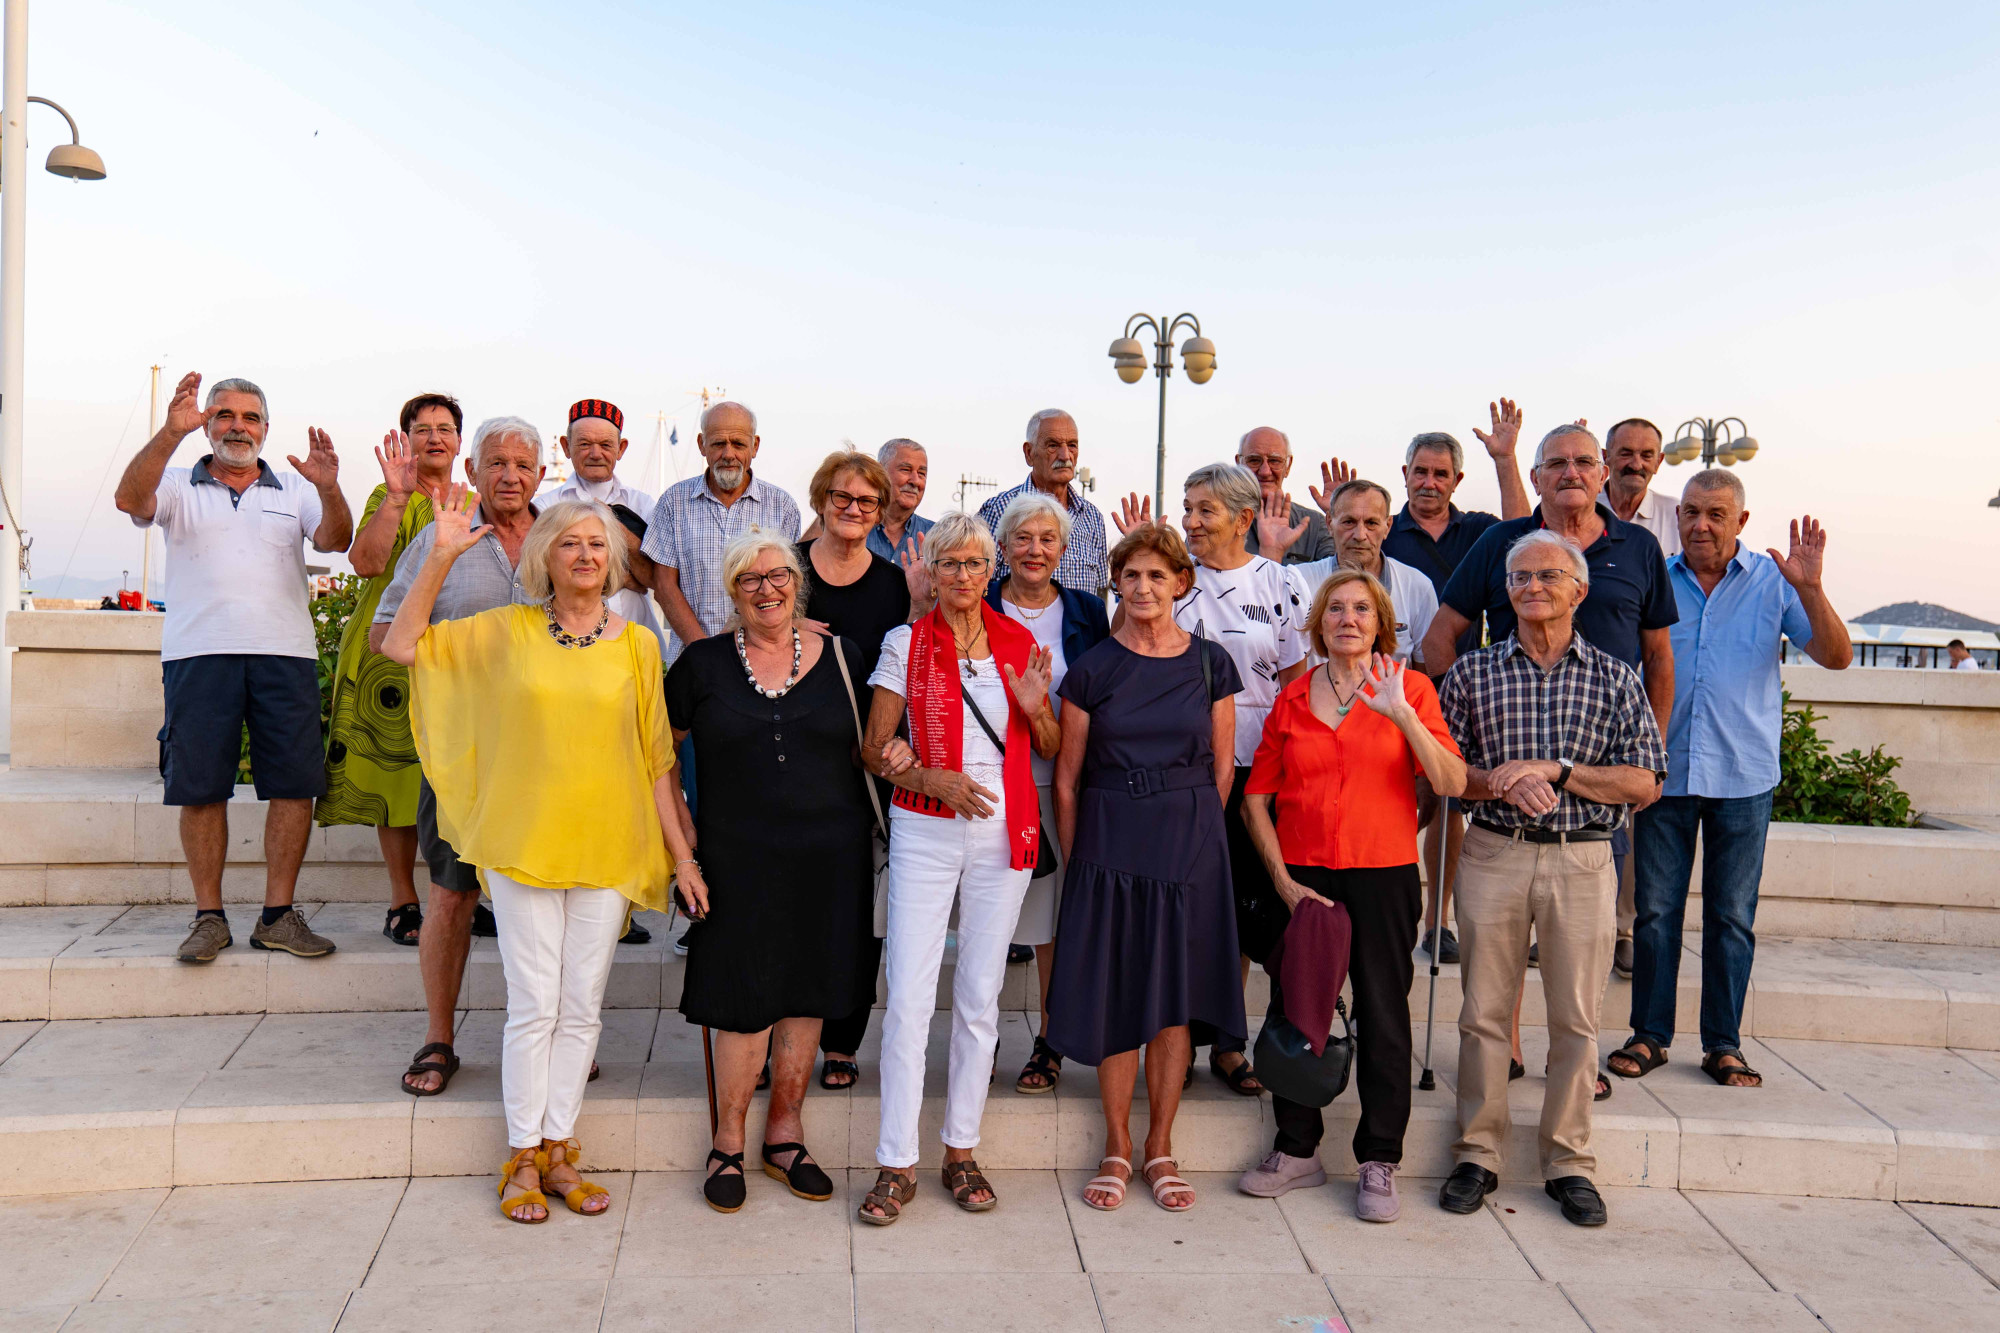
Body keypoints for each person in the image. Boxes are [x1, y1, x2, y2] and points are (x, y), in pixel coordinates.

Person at [384, 490, 688, 1224]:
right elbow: (400, 645)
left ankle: (558, 1148)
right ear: (544, 557)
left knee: (581, 1009)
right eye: (569, 542)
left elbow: (656, 759)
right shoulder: (506, 629)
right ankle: (521, 1153)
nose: (584, 554)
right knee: (534, 1005)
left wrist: (683, 856)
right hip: (523, 844)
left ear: (613, 561)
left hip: (608, 846)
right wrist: (440, 556)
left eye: (596, 543)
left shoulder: (638, 644)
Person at [1435, 531, 1667, 1230]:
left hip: (1583, 857)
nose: (1532, 586)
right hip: (1494, 852)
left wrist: (1557, 771)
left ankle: (1568, 1162)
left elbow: (1646, 781)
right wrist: (1501, 781)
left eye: (1547, 576)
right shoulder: (1471, 674)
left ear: (1579, 590)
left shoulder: (1616, 677)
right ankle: (1478, 1153)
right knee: (1482, 1015)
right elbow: (1446, 772)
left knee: (1576, 1020)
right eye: (1519, 577)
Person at [1237, 570, 1466, 1220]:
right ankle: (1296, 1148)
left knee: (1384, 1014)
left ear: (1381, 621)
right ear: (1318, 623)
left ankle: (1379, 1159)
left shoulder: (1410, 688)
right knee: (1297, 1010)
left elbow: (1451, 780)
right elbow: (1257, 799)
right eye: (1335, 608)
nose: (1348, 618)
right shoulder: (1292, 698)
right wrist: (1282, 880)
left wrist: (1402, 716)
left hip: (1383, 873)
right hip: (1305, 877)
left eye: (1362, 608)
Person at [1611, 475, 1851, 1090]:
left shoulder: (1775, 582)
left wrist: (1812, 589)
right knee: (1655, 914)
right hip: (1665, 775)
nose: (1701, 525)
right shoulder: (1656, 579)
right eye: (1691, 511)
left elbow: (1836, 656)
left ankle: (1723, 1044)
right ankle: (1650, 1035)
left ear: (1741, 522)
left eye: (1716, 514)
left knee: (1732, 918)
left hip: (1743, 777)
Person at [856, 512, 1059, 1224]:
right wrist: (928, 778)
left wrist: (1037, 710)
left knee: (979, 995)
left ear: (991, 568)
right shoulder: (905, 641)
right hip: (925, 826)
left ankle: (961, 1150)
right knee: (909, 997)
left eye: (975, 563)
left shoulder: (1019, 642)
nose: (964, 575)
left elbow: (1051, 742)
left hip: (1002, 829)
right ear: (932, 572)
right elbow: (873, 747)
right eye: (950, 563)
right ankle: (896, 1161)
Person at [1424, 423, 1677, 989]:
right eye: (1556, 464)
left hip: (1596, 777)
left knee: (1580, 962)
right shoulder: (1502, 543)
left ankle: (1597, 997)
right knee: (1499, 965)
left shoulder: (1638, 548)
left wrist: (1650, 754)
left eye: (1583, 462)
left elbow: (1659, 657)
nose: (1571, 473)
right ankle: (1507, 1034)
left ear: (1603, 473)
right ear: (1536, 477)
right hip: (1504, 782)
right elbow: (1440, 636)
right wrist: (1455, 726)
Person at [113, 372, 353, 966]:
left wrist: (328, 488)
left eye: (249, 417)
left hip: (286, 655)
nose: (237, 427)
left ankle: (278, 917)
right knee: (201, 788)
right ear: (207, 424)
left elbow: (336, 539)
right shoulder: (176, 482)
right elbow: (129, 500)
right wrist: (169, 433)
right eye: (223, 414)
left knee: (294, 787)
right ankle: (209, 918)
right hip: (198, 655)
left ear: (265, 429)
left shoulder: (294, 488)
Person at [669, 531, 877, 1213]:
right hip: (735, 858)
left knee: (808, 991)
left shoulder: (844, 656)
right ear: (732, 591)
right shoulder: (701, 664)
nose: (767, 589)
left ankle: (785, 1133)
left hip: (831, 855)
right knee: (743, 996)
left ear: (798, 583)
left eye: (779, 575)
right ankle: (728, 1139)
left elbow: (876, 742)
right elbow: (656, 758)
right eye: (750, 579)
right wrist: (682, 847)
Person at [1047, 522, 1243, 1213]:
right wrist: (1082, 862)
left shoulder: (1212, 663)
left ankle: (1160, 1145)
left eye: (1158, 575)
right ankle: (1116, 1144)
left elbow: (1223, 770)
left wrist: (1195, 836)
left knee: (1172, 1001)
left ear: (1181, 583)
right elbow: (1067, 780)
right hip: (1108, 844)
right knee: (1118, 994)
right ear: (1116, 584)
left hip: (1188, 844)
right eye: (1130, 575)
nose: (1143, 587)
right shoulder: (1092, 668)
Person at [1115, 463, 1309, 1095]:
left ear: (1244, 518)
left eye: (1205, 510)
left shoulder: (1281, 583)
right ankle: (1174, 1039)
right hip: (1178, 772)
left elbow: (1295, 683)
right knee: (1187, 906)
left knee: (1245, 906)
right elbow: (1124, 649)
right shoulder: (1173, 580)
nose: (1191, 521)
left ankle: (1229, 1042)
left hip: (1259, 772)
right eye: (1188, 508)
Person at [372, 416, 542, 1096]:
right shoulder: (440, 535)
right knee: (451, 894)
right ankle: (439, 1037)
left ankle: (552, 1037)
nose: (510, 475)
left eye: (522, 464)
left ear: (541, 474)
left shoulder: (564, 537)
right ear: (472, 471)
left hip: (546, 755)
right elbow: (387, 634)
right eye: (495, 462)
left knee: (545, 897)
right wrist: (442, 557)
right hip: (461, 753)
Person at [1380, 411, 1532, 966]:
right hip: (1397, 693)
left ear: (1457, 480)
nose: (1429, 482)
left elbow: (1528, 535)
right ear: (1405, 474)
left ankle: (1436, 922)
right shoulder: (1385, 530)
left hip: (1463, 692)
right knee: (1405, 805)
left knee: (1450, 803)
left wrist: (1505, 459)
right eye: (1420, 472)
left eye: (1440, 473)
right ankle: (1383, 906)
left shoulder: (1481, 531)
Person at [318, 392, 462, 946]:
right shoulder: (389, 495)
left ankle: (459, 897)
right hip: (384, 658)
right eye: (422, 429)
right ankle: (403, 901)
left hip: (449, 655)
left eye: (444, 428)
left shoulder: (473, 500)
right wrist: (398, 500)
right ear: (406, 440)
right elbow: (365, 563)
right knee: (394, 778)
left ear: (459, 441)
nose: (434, 438)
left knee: (458, 777)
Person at [984, 492, 1111, 1095]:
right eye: (1023, 538)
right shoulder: (978, 602)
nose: (1035, 550)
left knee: (1051, 922)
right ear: (1002, 547)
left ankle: (1050, 1040)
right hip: (988, 778)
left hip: (1060, 778)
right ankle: (979, 1038)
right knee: (986, 915)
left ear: (1063, 549)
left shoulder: (1087, 610)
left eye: (1047, 539)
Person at [795, 450, 914, 1092]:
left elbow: (903, 671)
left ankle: (842, 1039)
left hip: (860, 765)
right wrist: (783, 623)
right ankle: (776, 1034)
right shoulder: (784, 567)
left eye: (867, 501)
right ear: (821, 499)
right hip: (789, 758)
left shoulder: (894, 585)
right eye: (842, 497)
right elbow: (739, 634)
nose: (853, 509)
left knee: (855, 913)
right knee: (789, 906)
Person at [644, 400, 802, 669]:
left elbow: (788, 588)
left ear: (755, 446)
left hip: (763, 665)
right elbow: (664, 586)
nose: (728, 454)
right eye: (718, 444)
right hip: (691, 662)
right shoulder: (674, 502)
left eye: (738, 444)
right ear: (702, 445)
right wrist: (705, 652)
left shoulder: (782, 506)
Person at [1271, 479, 1438, 667]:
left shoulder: (1417, 587)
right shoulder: (1297, 582)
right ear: (1329, 523)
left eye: (1371, 523)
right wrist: (1271, 551)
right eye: (1349, 522)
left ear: (1388, 526)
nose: (1360, 535)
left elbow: (1425, 673)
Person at [546, 398, 667, 653]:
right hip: (568, 645)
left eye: (605, 445)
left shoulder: (643, 504)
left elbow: (659, 578)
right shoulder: (546, 506)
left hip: (639, 641)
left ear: (621, 449)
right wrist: (626, 577)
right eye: (584, 444)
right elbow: (545, 576)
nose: (595, 453)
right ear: (566, 447)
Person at [978, 409, 1110, 593]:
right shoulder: (999, 510)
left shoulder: (1092, 518)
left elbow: (1101, 592)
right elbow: (977, 583)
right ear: (1029, 453)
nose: (1065, 456)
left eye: (1072, 445)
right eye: (1053, 445)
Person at [1237, 427, 1336, 564]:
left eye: (1274, 461)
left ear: (1288, 466)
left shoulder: (1313, 525)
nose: (1265, 471)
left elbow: (1342, 571)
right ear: (1239, 463)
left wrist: (1341, 513)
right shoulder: (1223, 522)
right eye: (1254, 460)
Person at [1602, 419, 1681, 557]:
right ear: (1606, 457)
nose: (1636, 465)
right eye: (1626, 454)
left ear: (1658, 462)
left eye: (1646, 456)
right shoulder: (1583, 508)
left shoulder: (1676, 515)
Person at [871, 438, 935, 564]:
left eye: (921, 473)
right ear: (880, 472)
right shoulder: (854, 530)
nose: (915, 481)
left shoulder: (938, 537)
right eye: (906, 470)